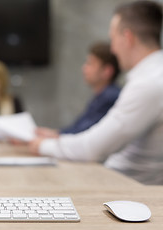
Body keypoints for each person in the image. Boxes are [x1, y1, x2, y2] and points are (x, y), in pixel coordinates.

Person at [30, 1, 163, 185]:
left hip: (124, 187)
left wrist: (43, 145)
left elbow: (92, 148)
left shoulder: (148, 83)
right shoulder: (152, 76)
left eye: (113, 39)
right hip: (121, 181)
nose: (113, 49)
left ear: (128, 38)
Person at [36, 42, 121, 139]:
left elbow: (84, 132)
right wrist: (55, 133)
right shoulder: (102, 95)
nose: (84, 68)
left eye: (90, 64)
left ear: (107, 71)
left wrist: (56, 136)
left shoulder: (110, 97)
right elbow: (78, 127)